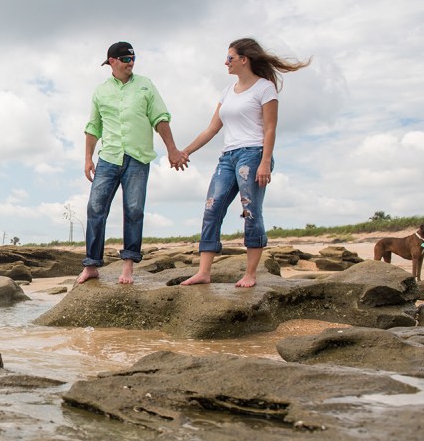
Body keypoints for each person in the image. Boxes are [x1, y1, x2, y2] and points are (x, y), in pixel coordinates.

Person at [179, 38, 311, 288]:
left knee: (250, 211)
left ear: (244, 60)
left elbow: (270, 129)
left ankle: (250, 274)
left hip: (253, 154)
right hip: (227, 157)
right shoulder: (227, 92)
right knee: (212, 209)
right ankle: (204, 272)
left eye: (230, 58)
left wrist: (265, 162)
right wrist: (186, 151)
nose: (226, 62)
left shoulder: (265, 88)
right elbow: (212, 129)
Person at [77, 41, 187, 285]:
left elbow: (160, 118)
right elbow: (93, 127)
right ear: (112, 62)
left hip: (138, 157)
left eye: (133, 59)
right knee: (95, 208)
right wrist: (87, 158)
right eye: (126, 59)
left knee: (134, 210)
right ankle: (91, 265)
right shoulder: (101, 91)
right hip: (108, 158)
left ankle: (128, 266)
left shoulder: (146, 85)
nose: (131, 63)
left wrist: (172, 149)